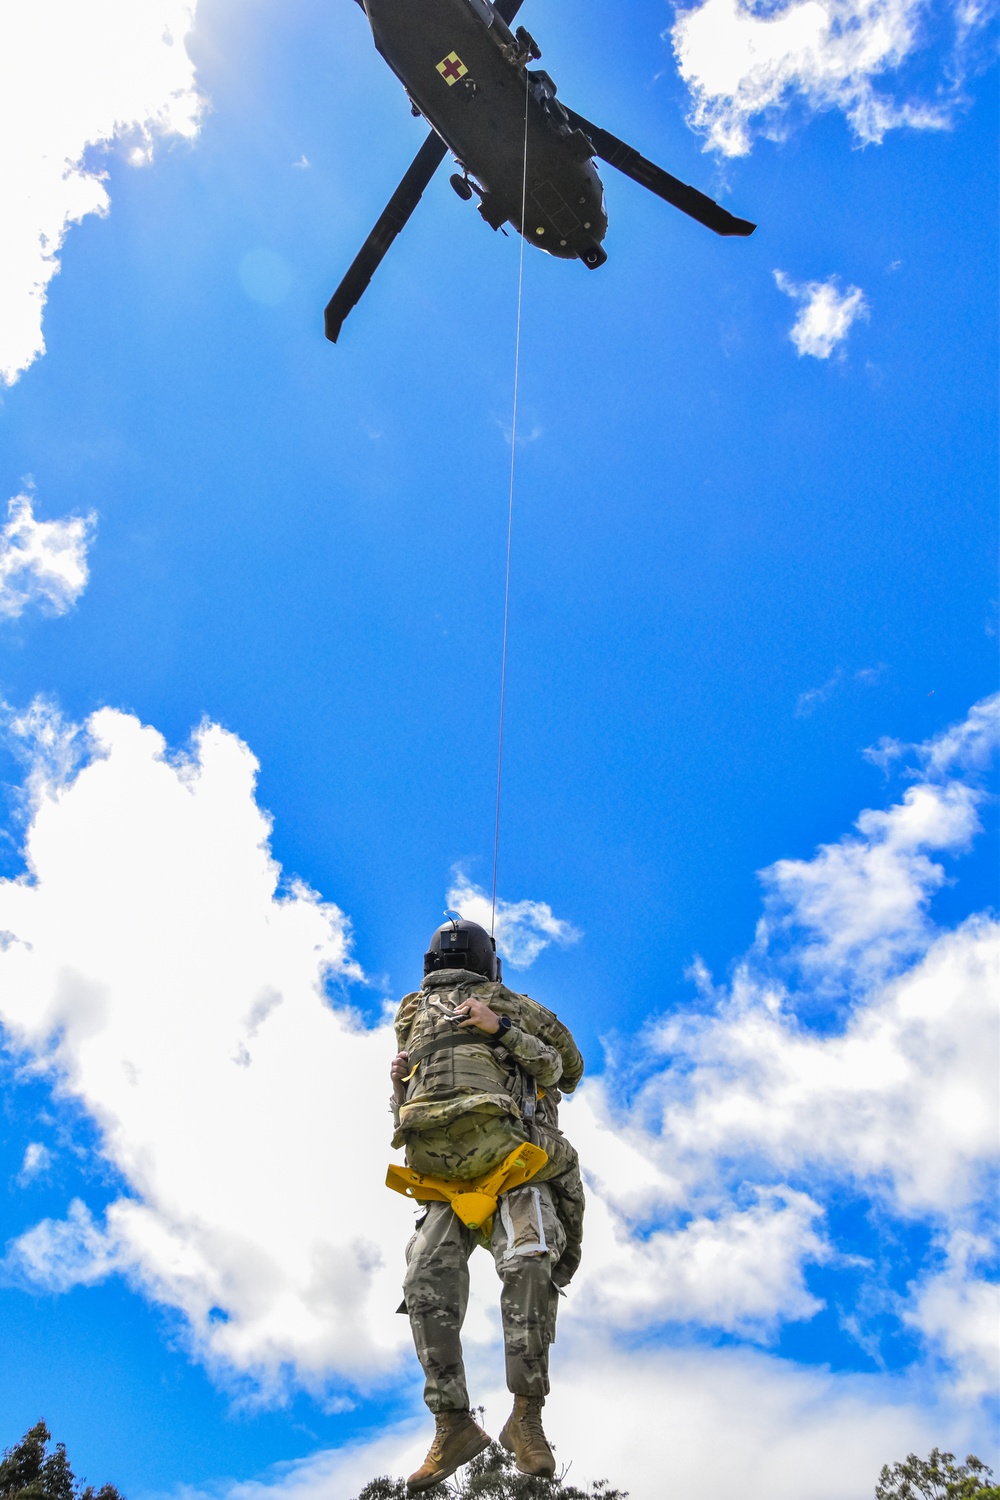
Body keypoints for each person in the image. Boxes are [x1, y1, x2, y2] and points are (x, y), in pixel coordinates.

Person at [390, 917, 586, 1494]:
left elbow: (563, 1069)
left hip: (512, 1163)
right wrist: (398, 1085)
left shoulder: (511, 1007)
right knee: (425, 1280)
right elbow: (408, 1104)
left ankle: (526, 1420)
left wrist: (500, 1026)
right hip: (443, 1177)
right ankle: (451, 1424)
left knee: (528, 1262)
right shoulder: (411, 1016)